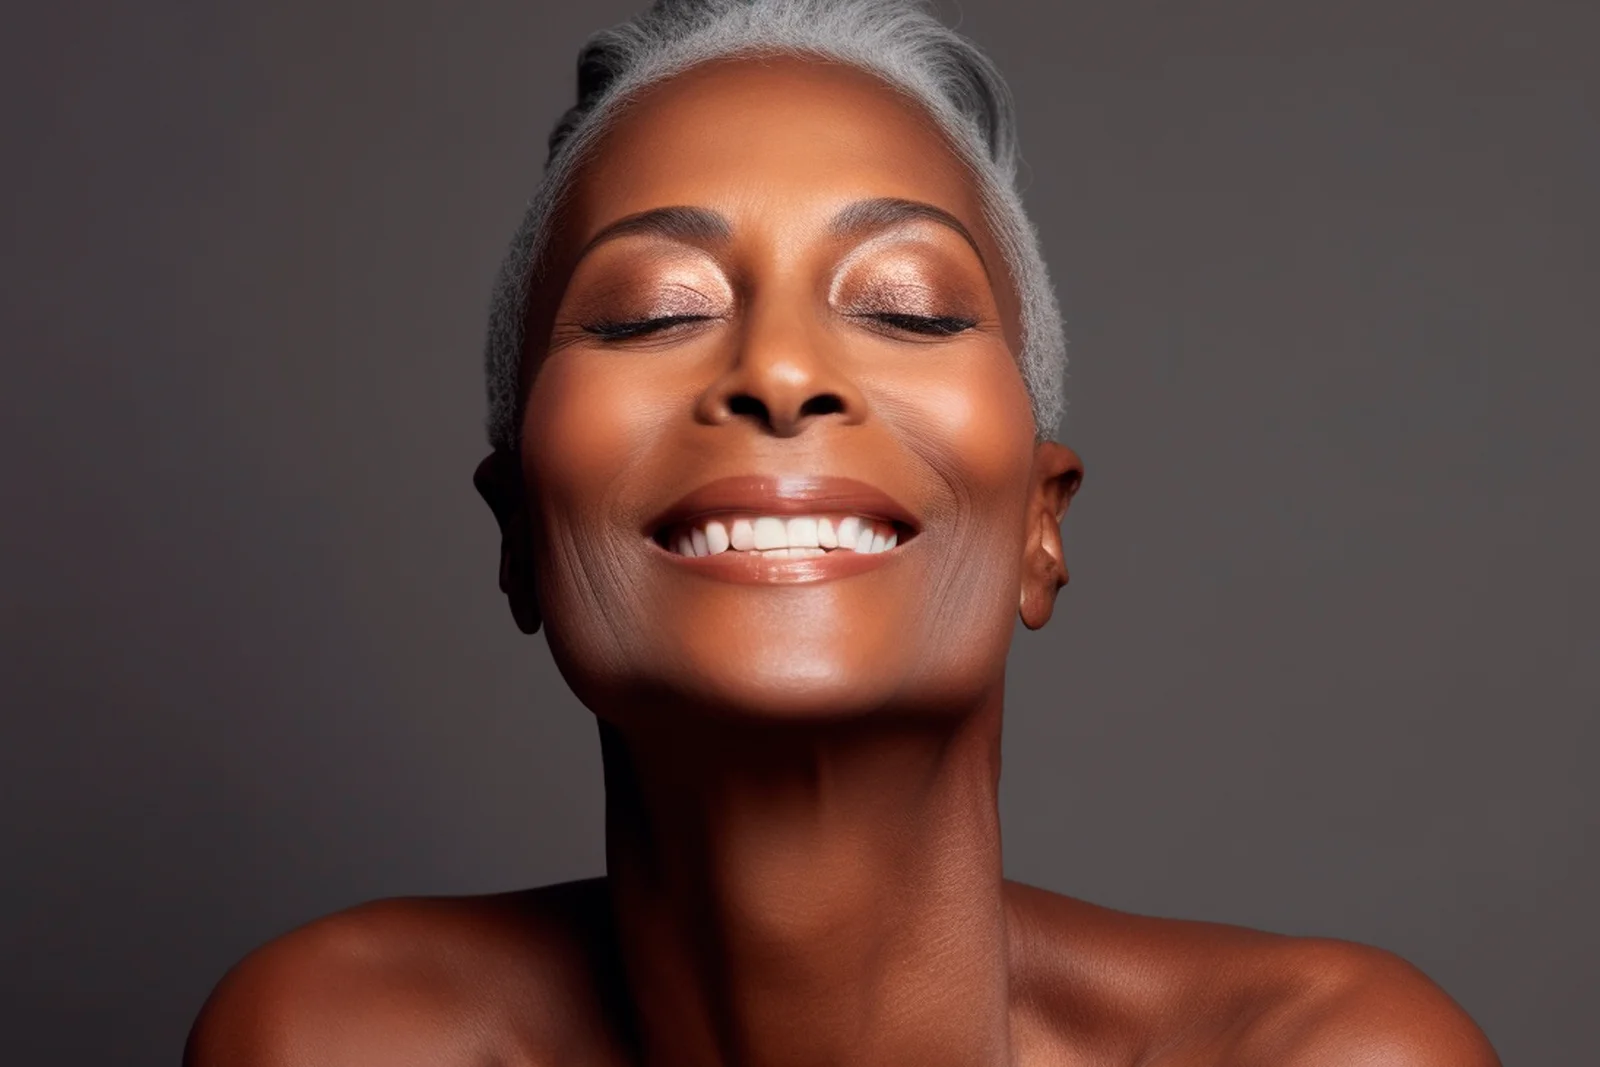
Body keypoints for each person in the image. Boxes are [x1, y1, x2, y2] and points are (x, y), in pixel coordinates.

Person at [185, 2, 1501, 1064]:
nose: (779, 371)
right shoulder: (332, 1037)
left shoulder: (1332, 1053)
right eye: (649, 312)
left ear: (1042, 522)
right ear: (519, 529)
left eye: (910, 307)